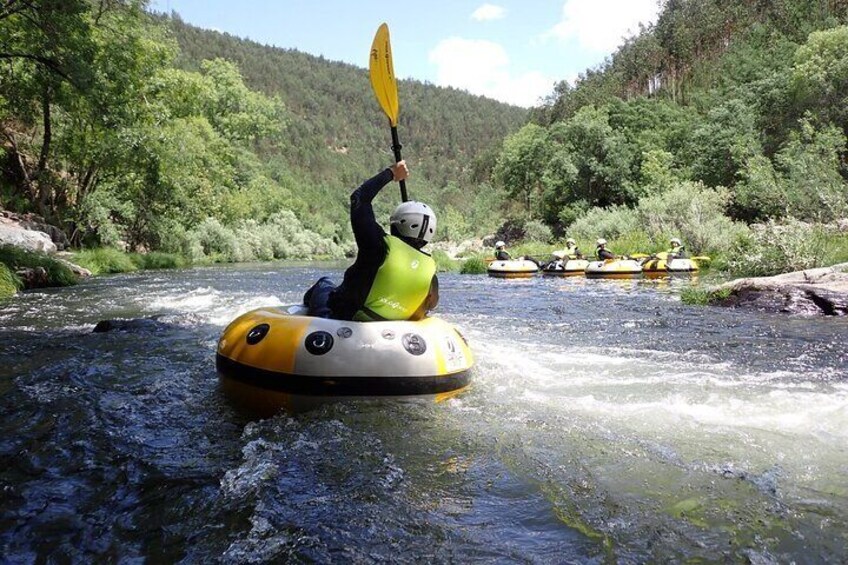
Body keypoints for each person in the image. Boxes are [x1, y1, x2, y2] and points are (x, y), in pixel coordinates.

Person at [302, 160, 438, 321]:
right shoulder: (431, 271)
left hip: (343, 318)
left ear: (395, 225)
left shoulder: (378, 245)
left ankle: (301, 314)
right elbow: (430, 305)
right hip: (392, 329)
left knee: (323, 284)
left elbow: (359, 198)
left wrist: (392, 173)